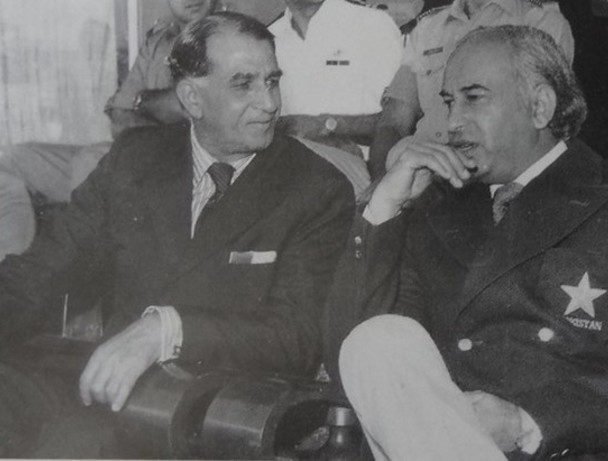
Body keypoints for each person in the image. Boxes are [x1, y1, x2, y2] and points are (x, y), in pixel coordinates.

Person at [325, 25, 608, 460]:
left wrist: (528, 421)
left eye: (474, 98)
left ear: (540, 105)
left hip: (572, 448)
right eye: (450, 103)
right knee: (377, 339)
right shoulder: (435, 207)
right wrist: (384, 207)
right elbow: (355, 359)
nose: (452, 123)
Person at [0, 12, 355, 457]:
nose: (269, 103)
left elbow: (296, 336)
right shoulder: (135, 159)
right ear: (192, 98)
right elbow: (42, 271)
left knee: (72, 445)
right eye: (244, 85)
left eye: (272, 81)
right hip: (113, 391)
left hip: (219, 414)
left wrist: (166, 330)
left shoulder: (315, 188)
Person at [0, 0, 223, 262]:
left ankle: (91, 273)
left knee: (90, 161)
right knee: (12, 159)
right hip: (130, 153)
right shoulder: (159, 40)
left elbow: (195, 108)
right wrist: (157, 106)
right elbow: (119, 115)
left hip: (181, 166)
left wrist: (142, 100)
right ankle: (7, 269)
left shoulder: (228, 40)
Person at [367, 0, 575, 178]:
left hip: (478, 181)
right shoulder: (427, 29)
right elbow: (393, 122)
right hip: (415, 174)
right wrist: (384, 183)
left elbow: (527, 136)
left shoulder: (540, 22)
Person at [268, 0, 402, 194]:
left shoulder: (372, 25)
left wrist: (325, 125)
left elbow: (400, 121)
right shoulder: (269, 38)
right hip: (289, 175)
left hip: (364, 174)